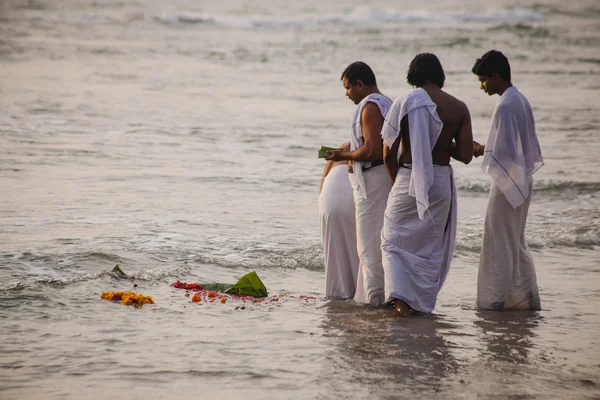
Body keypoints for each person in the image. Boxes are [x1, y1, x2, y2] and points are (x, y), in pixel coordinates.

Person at [380, 53, 473, 316]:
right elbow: (465, 156)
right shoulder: (459, 107)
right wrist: (445, 142)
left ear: (414, 75)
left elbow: (388, 151)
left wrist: (395, 180)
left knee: (392, 242)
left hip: (408, 177)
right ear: (439, 74)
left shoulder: (405, 101)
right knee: (429, 247)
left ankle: (400, 301)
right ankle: (419, 305)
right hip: (440, 180)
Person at [471, 50, 543, 311]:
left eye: (483, 80)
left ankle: (493, 301)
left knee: (498, 241)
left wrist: (478, 149)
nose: (482, 86)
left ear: (496, 76)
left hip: (507, 182)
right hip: (522, 179)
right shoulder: (520, 99)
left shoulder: (505, 105)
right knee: (515, 240)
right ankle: (523, 299)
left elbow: (502, 153)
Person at [326, 61, 393, 306]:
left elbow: (373, 149)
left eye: (347, 88)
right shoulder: (387, 103)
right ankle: (380, 297)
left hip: (374, 183)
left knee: (369, 249)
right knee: (379, 245)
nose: (346, 94)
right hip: (383, 180)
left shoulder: (371, 107)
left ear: (360, 84)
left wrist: (343, 156)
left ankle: (375, 303)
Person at [319, 144, 360, 299]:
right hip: (352, 186)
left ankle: (337, 295)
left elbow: (324, 180)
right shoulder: (378, 144)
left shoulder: (345, 146)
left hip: (329, 195)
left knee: (336, 252)